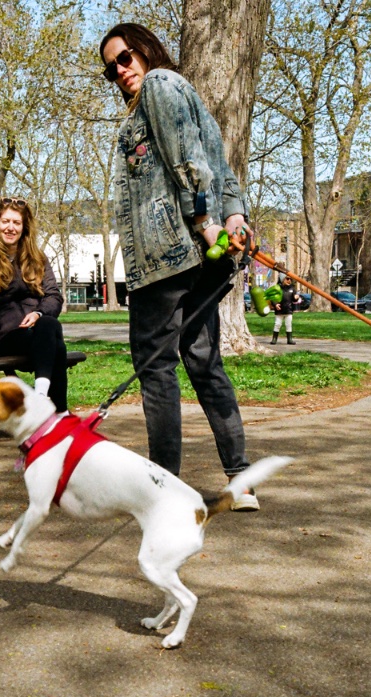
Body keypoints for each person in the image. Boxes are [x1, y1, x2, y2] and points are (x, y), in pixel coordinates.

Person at [100, 22, 257, 511]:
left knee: (157, 371)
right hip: (198, 260)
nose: (121, 71)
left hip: (166, 259)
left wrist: (208, 220)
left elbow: (189, 164)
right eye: (110, 69)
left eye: (125, 57)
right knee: (205, 364)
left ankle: (164, 489)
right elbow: (221, 168)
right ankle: (240, 481)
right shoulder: (187, 97)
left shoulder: (160, 85)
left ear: (145, 49)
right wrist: (234, 217)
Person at [0, 197, 70, 412]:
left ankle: (42, 398)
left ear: (24, 228)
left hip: (39, 334)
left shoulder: (37, 259)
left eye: (16, 222)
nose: (10, 228)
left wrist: (38, 314)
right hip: (6, 337)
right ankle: (58, 411)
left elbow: (53, 296)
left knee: (49, 327)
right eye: (5, 222)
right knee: (55, 341)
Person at [270, 275, 299, 344]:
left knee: (288, 324)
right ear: (282, 279)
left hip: (288, 310)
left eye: (290, 279)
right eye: (287, 279)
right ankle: (274, 339)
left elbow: (294, 300)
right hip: (279, 310)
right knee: (277, 324)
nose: (289, 281)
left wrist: (296, 298)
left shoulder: (292, 289)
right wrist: (275, 304)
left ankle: (289, 339)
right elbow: (273, 298)